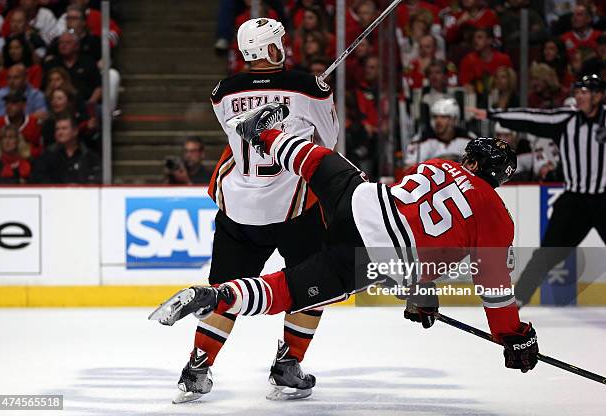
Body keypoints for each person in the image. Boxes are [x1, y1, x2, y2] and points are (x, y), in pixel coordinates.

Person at [152, 103, 540, 382]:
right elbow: (493, 291)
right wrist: (513, 336)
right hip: (374, 259)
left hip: (362, 203)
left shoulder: (437, 165)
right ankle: (217, 297)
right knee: (291, 290)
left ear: (470, 160)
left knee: (323, 164)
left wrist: (421, 294)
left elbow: (414, 217)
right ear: (500, 178)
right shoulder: (497, 216)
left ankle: (266, 134)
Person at [171, 17, 339, 405]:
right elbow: (327, 143)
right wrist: (315, 96)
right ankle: (288, 365)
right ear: (272, 48)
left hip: (238, 208)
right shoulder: (307, 87)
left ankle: (196, 369)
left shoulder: (222, 92)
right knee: (313, 287)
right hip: (292, 209)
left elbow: (238, 133)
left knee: (225, 291)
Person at [468, 73, 606, 306]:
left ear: (599, 95)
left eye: (585, 92)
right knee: (546, 254)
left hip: (604, 199)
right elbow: (531, 118)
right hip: (575, 201)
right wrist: (493, 115)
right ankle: (518, 299)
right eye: (577, 92)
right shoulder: (567, 120)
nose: (579, 96)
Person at [30, 114, 101, 184]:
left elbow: (96, 180)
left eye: (64, 128)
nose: (60, 132)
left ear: (75, 131)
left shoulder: (89, 156)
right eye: (57, 129)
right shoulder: (47, 156)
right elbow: (38, 179)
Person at [405, 98, 476, 167]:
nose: (438, 121)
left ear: (454, 119)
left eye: (443, 117)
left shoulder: (469, 139)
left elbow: (479, 167)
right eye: (435, 117)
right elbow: (409, 168)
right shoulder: (421, 140)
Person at [42, 31, 102, 106]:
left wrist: (91, 103)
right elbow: (44, 89)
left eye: (68, 42)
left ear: (77, 46)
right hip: (56, 105)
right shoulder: (51, 64)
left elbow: (98, 87)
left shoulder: (88, 62)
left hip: (85, 104)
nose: (63, 45)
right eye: (61, 43)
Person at [0, 91, 42, 158]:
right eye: (7, 103)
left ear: (24, 105)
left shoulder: (34, 123)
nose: (9, 106)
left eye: (14, 103)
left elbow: (40, 149)